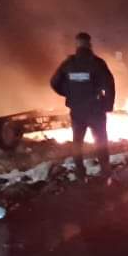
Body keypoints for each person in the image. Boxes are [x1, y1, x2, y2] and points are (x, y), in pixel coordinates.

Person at [50, 31, 115, 175]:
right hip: (95, 110)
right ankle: (105, 172)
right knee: (100, 141)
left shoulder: (69, 63)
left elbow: (54, 82)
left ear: (77, 45)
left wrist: (69, 93)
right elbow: (109, 85)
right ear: (89, 44)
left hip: (77, 110)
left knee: (77, 143)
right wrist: (107, 105)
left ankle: (80, 173)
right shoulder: (97, 63)